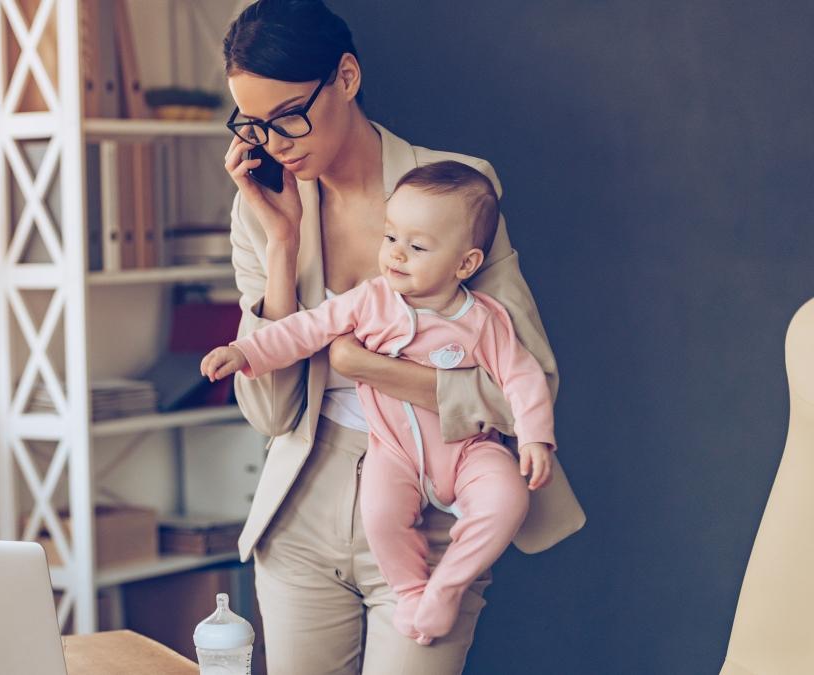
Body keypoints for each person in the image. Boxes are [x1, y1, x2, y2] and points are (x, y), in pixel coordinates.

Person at [220, 1, 586, 673]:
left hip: (435, 504)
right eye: (254, 125)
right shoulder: (262, 212)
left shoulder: (458, 188)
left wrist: (366, 366)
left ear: (348, 77)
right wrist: (281, 245)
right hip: (302, 506)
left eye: (288, 116)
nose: (275, 143)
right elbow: (272, 413)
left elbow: (526, 381)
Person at [203, 160, 556, 645]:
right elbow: (306, 329)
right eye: (390, 238)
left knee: (508, 498)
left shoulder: (483, 319)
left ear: (466, 264)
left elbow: (523, 376)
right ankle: (411, 590)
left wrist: (536, 438)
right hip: (392, 452)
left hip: (469, 450)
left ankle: (446, 586)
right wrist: (244, 351)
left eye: (417, 247)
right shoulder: (369, 300)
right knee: (380, 512)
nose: (395, 255)